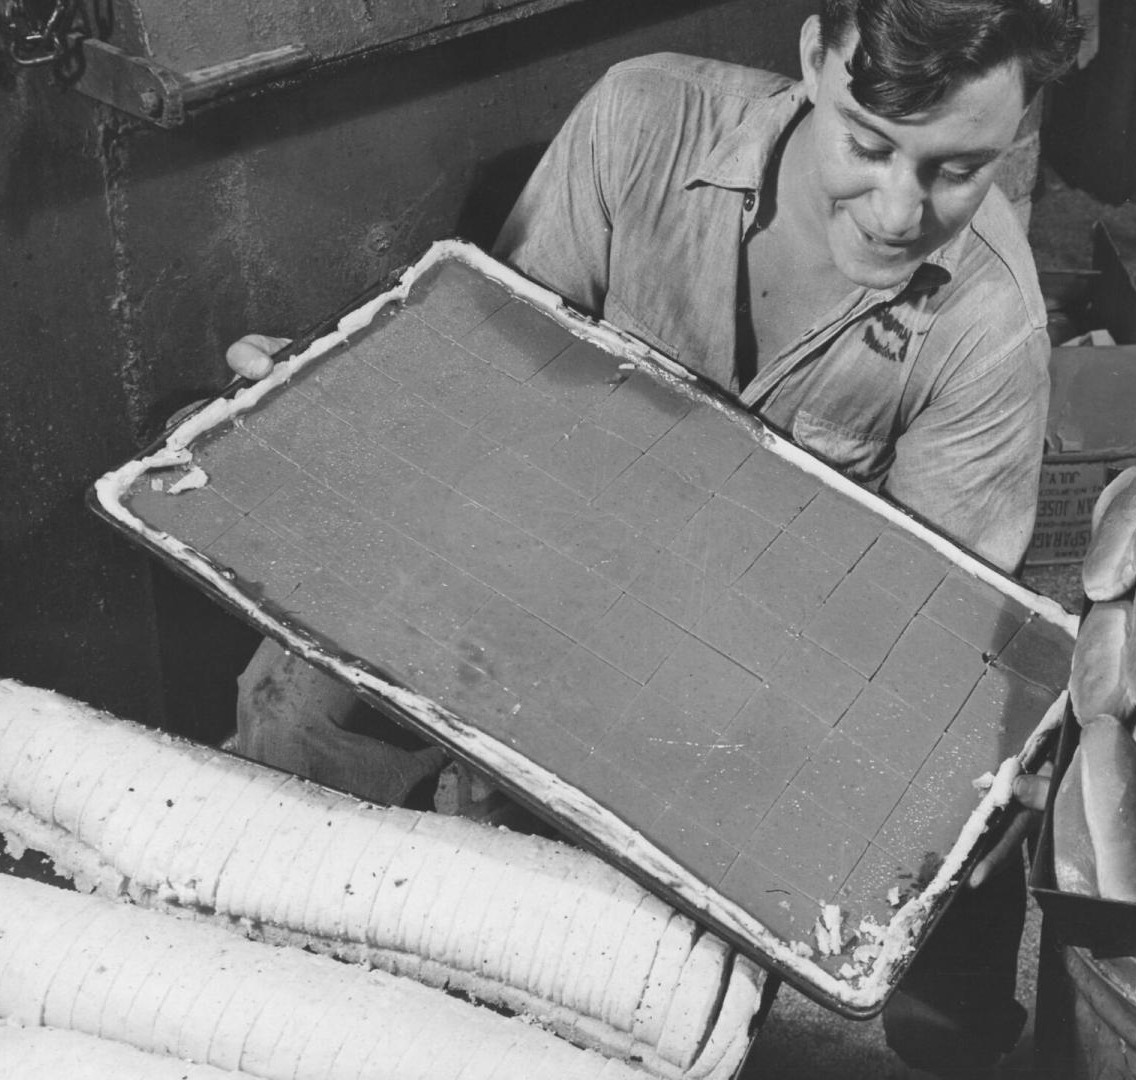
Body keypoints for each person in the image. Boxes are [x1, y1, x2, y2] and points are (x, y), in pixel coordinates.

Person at [227, 0, 1082, 1069]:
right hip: (531, 541)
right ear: (816, 57)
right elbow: (487, 393)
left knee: (633, 979)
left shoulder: (988, 333)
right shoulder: (642, 121)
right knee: (292, 709)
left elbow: (906, 670)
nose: (899, 208)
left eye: (958, 170)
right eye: (869, 145)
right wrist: (336, 395)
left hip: (753, 672)